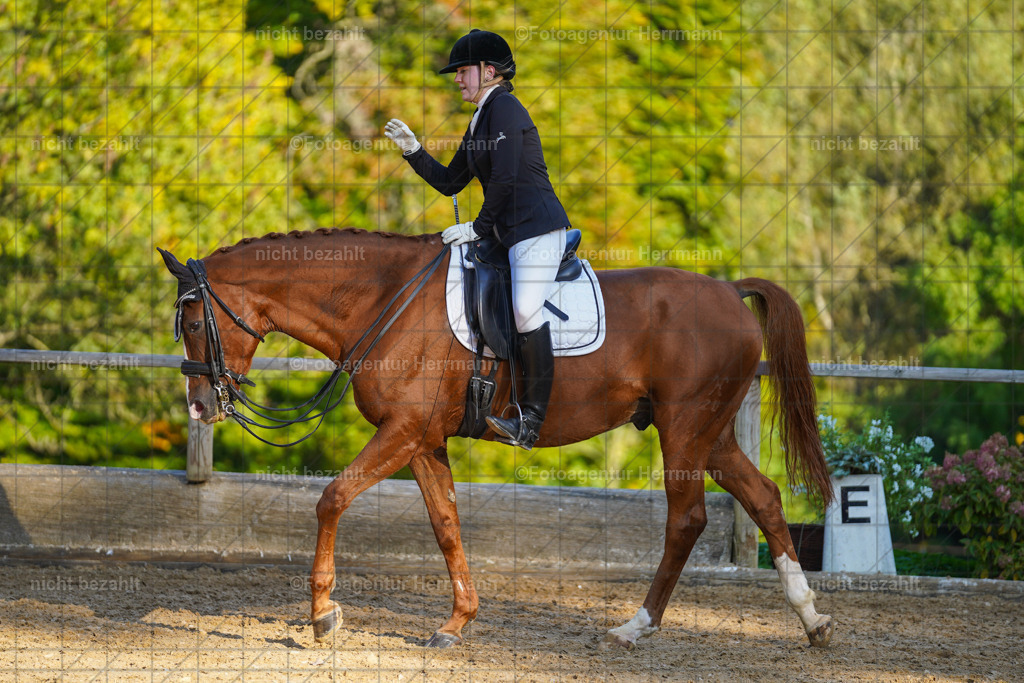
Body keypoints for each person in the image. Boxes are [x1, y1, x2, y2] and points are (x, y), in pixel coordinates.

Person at [384, 29, 570, 450]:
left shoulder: (504, 108)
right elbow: (452, 182)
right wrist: (413, 150)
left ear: (488, 72)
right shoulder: (482, 116)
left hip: (536, 229)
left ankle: (532, 421)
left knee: (525, 309)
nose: (456, 80)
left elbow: (505, 179)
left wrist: (478, 228)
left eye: (462, 71)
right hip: (508, 234)